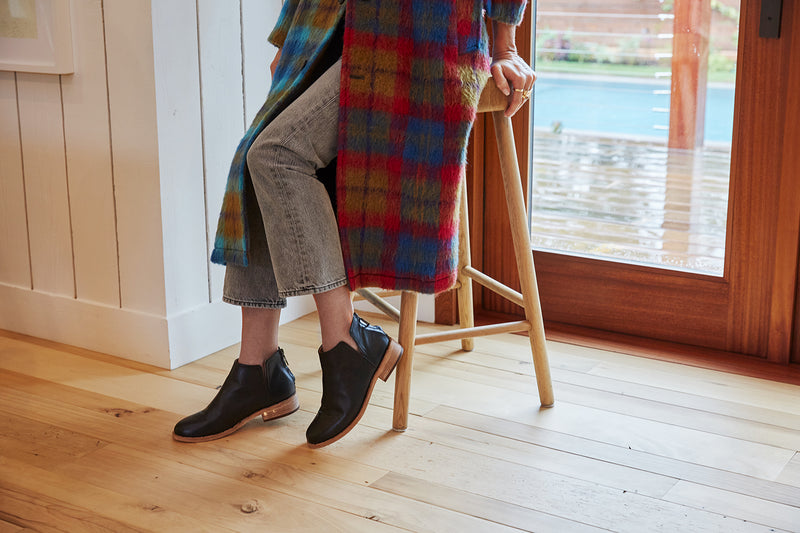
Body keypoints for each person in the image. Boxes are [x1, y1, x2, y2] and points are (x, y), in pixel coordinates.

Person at [173, 0, 535, 448]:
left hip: (418, 34)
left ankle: (344, 338)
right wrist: (290, 35)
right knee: (258, 157)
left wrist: (506, 44)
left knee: (274, 154)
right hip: (328, 21)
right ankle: (258, 367)